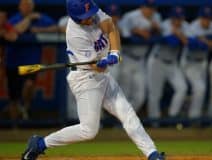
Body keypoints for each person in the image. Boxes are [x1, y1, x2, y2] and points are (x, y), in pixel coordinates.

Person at [20, 0, 165, 160]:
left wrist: (114, 52)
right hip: (85, 78)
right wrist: (103, 62)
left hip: (102, 76)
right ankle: (40, 144)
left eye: (90, 14)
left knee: (127, 113)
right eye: (85, 16)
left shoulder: (91, 10)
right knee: (89, 131)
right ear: (74, 17)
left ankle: (152, 154)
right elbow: (96, 67)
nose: (90, 18)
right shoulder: (75, 34)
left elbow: (110, 27)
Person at [6, 0, 58, 120]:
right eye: (24, 5)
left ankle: (25, 108)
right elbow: (15, 31)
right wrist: (28, 19)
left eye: (29, 6)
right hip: (13, 62)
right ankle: (15, 127)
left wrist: (40, 30)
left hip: (32, 61)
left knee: (29, 85)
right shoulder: (14, 19)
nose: (27, 8)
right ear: (19, 7)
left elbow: (56, 27)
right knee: (13, 98)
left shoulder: (40, 18)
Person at [119, 0, 162, 112]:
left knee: (140, 96)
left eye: (152, 8)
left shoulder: (156, 17)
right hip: (127, 58)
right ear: (142, 7)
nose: (150, 10)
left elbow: (160, 35)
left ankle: (126, 119)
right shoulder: (130, 16)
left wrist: (155, 30)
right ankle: (120, 121)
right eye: (148, 7)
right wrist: (137, 31)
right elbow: (123, 35)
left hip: (141, 60)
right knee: (125, 92)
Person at [147, 6, 188, 119]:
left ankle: (172, 116)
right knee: (155, 94)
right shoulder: (164, 25)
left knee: (182, 88)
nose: (177, 21)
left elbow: (189, 42)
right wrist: (179, 36)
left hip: (172, 64)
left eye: (179, 18)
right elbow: (171, 42)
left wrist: (178, 35)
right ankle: (154, 121)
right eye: (175, 18)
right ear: (171, 18)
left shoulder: (185, 26)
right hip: (157, 62)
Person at [183, 7, 212, 120]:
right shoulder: (193, 27)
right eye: (204, 18)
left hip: (203, 63)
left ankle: (193, 116)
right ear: (200, 18)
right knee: (199, 88)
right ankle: (193, 119)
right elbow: (192, 45)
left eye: (209, 18)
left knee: (201, 90)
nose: (207, 21)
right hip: (189, 62)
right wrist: (210, 42)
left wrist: (204, 40)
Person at [0, 9, 18, 120]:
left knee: (13, 95)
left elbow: (14, 37)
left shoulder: (7, 26)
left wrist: (4, 33)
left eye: (2, 17)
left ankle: (14, 125)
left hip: (6, 64)